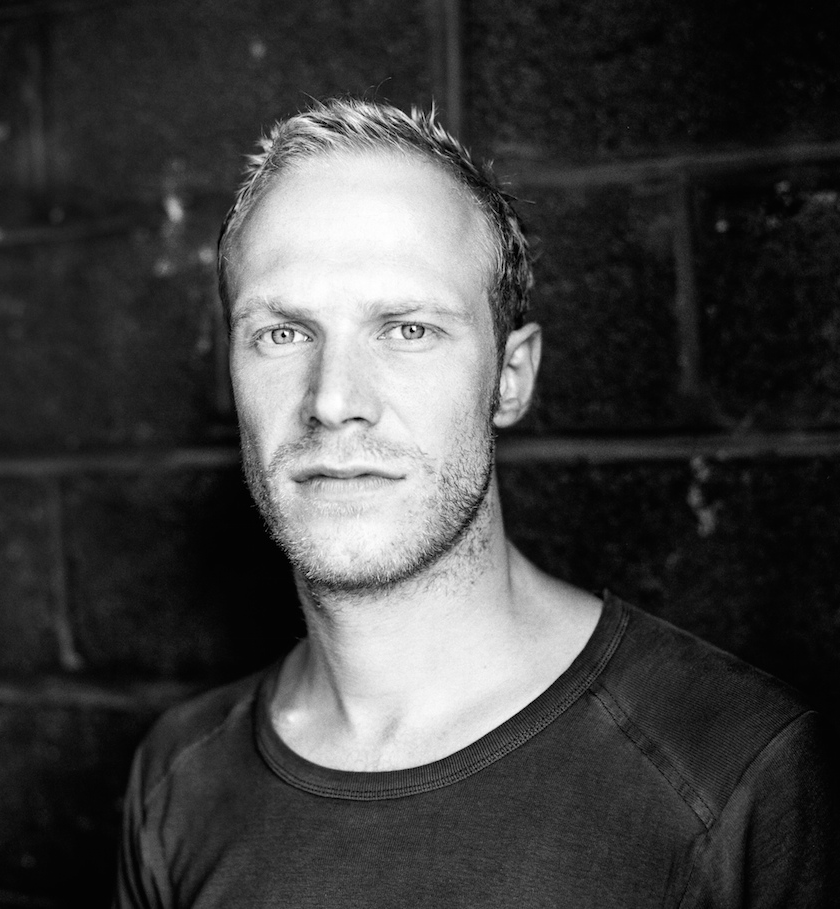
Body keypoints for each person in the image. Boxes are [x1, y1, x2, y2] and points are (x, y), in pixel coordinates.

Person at [114, 98, 836, 908]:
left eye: (407, 329)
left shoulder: (737, 772)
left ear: (510, 377)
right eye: (282, 333)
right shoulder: (177, 778)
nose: (333, 400)